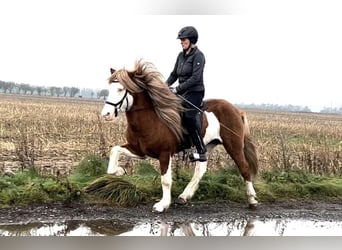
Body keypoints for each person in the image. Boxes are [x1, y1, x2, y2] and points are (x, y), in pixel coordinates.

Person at [166, 26, 207, 162]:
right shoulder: (180, 55)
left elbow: (195, 78)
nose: (181, 42)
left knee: (189, 117)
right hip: (182, 91)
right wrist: (164, 87)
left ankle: (201, 151)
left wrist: (177, 89)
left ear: (191, 40)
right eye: (181, 40)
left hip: (195, 92)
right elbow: (174, 74)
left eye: (184, 40)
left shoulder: (198, 56)